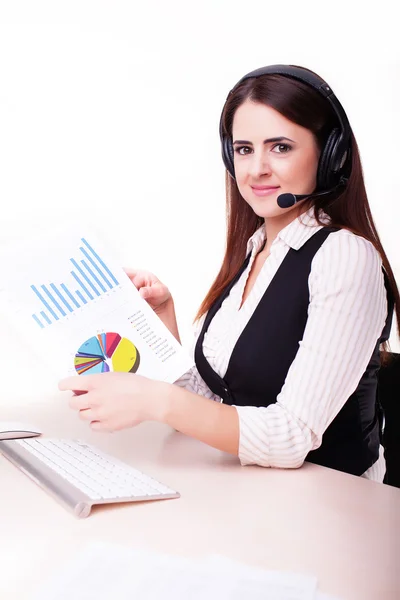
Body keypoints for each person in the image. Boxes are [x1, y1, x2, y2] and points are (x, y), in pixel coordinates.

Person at [59, 64, 400, 482]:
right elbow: (217, 410)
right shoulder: (258, 251)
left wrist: (157, 401)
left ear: (329, 155)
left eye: (280, 147)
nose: (256, 169)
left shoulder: (345, 257)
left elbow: (290, 436)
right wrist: (163, 321)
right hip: (255, 490)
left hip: (330, 503)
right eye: (243, 149)